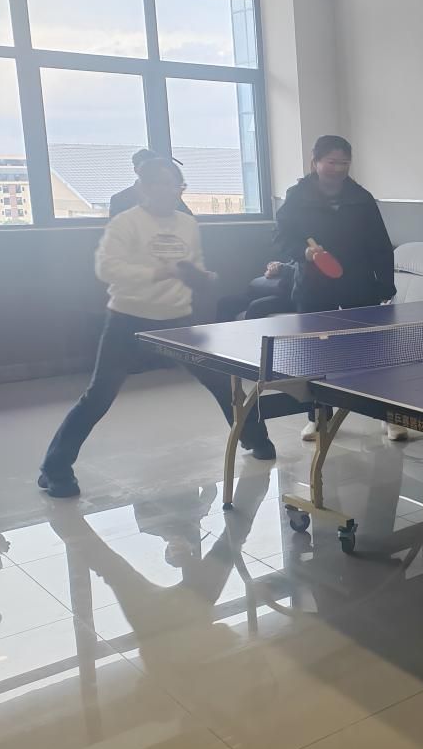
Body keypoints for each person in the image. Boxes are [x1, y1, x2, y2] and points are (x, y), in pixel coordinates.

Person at [38, 157, 275, 499]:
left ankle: (254, 438)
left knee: (222, 382)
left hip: (177, 320)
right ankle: (54, 469)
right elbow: (107, 269)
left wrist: (199, 276)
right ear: (142, 188)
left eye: (175, 185)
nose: (168, 191)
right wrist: (160, 273)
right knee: (99, 395)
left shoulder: (187, 223)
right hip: (128, 319)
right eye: (160, 184)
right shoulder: (126, 223)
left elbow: (191, 264)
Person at [274, 136, 402, 441]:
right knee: (315, 355)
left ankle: (387, 415)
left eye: (344, 162)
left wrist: (386, 284)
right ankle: (318, 418)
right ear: (315, 162)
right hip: (314, 287)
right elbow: (281, 238)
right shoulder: (296, 197)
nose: (339, 168)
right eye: (331, 162)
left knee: (372, 353)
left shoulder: (361, 197)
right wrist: (303, 252)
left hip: (359, 284)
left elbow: (380, 244)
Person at [109, 148, 193, 218]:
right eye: (144, 168)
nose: (149, 171)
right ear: (135, 170)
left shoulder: (169, 195)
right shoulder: (119, 200)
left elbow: (188, 218)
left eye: (153, 168)